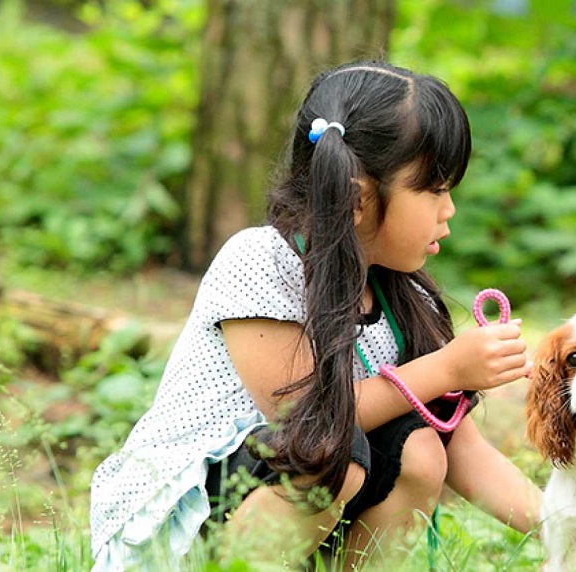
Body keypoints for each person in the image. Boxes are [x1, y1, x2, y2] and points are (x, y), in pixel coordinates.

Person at [88, 60, 541, 570]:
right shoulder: (262, 262)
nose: (449, 209)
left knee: (420, 449)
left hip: (289, 509)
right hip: (184, 522)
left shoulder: (402, 295)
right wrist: (447, 368)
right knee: (331, 454)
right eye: (434, 189)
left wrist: (572, 531)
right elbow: (304, 417)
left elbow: (464, 450)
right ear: (358, 196)